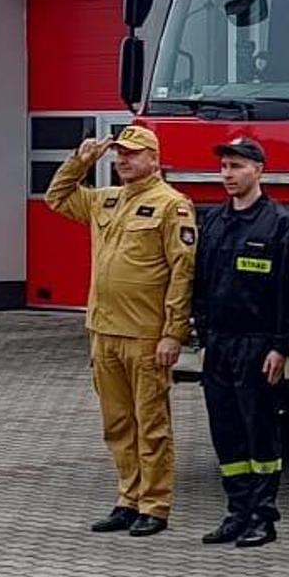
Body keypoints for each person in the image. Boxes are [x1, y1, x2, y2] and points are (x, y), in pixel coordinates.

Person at [45, 125, 196, 538]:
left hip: (146, 335)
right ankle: (127, 498)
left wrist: (173, 333)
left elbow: (182, 274)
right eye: (118, 154)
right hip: (104, 331)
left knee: (151, 425)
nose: (123, 159)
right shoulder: (106, 200)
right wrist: (81, 161)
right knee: (117, 424)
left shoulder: (172, 206)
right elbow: (56, 198)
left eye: (132, 153)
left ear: (154, 159)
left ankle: (156, 504)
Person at [191, 136, 289, 548]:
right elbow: (200, 285)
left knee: (260, 433)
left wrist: (280, 345)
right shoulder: (216, 222)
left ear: (259, 170)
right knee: (226, 431)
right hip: (219, 343)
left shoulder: (279, 223)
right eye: (224, 167)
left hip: (257, 344)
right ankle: (237, 512)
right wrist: (202, 336)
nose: (228, 175)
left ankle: (263, 516)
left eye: (237, 166)